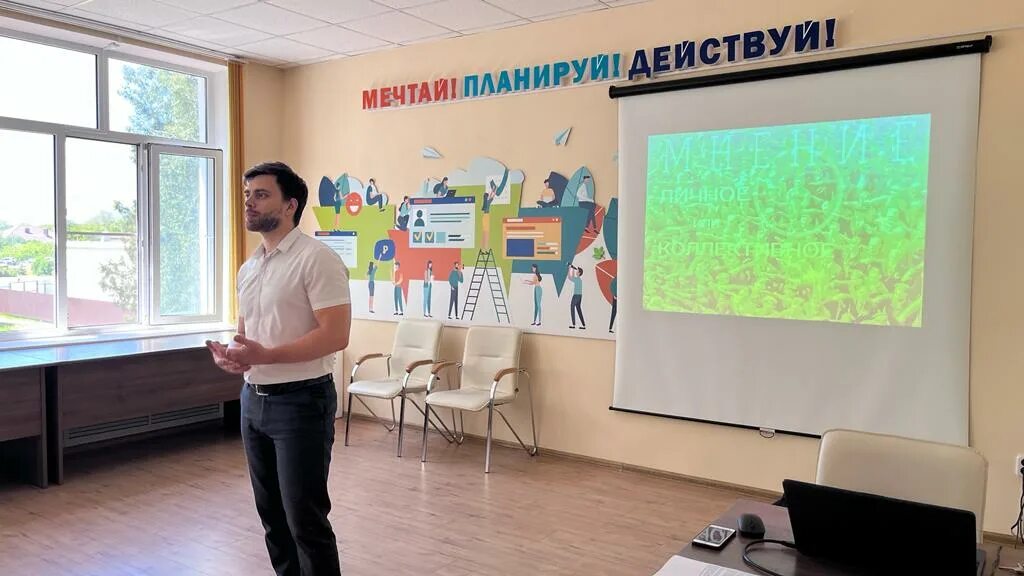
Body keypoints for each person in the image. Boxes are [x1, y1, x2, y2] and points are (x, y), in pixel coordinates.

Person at [206, 161, 350, 576]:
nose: (249, 202)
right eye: (247, 194)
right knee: (272, 517)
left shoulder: (317, 259)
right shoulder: (249, 267)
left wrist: (266, 355)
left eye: (261, 194)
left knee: (305, 520)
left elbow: (335, 334)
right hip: (253, 400)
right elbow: (247, 334)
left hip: (302, 402)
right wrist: (233, 355)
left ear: (290, 205)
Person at [569, 264, 586, 329]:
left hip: (576, 295)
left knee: (572, 307)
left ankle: (573, 324)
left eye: (577, 271)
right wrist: (572, 269)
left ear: (579, 273)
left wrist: (569, 269)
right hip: (579, 296)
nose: (576, 271)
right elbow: (572, 277)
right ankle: (583, 325)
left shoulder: (577, 280)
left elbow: (570, 277)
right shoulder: (579, 280)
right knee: (578, 309)